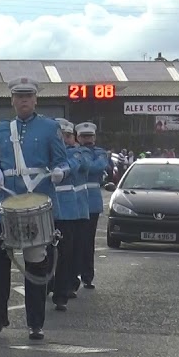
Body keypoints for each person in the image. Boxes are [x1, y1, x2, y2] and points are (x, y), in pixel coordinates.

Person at [0, 78, 68, 340]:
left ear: (35, 100)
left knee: (35, 265)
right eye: (18, 96)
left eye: (28, 96)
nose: (23, 101)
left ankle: (35, 323)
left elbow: (63, 162)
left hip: (37, 205)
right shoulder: (2, 128)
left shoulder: (49, 127)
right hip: (5, 206)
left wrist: (59, 172)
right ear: (12, 100)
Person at [50, 119, 87, 311]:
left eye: (67, 136)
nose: (63, 139)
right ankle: (47, 284)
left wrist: (61, 170)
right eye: (60, 136)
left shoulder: (75, 152)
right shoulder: (47, 153)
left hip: (67, 210)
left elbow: (73, 164)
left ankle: (61, 293)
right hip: (47, 207)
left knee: (65, 253)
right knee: (42, 252)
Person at [74, 123, 108, 289]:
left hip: (92, 203)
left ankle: (87, 275)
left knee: (87, 241)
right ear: (78, 137)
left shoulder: (100, 153)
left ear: (94, 137)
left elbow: (97, 167)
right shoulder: (74, 152)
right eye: (84, 137)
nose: (87, 140)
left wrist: (84, 162)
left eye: (90, 136)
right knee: (73, 241)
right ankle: (72, 276)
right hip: (75, 202)